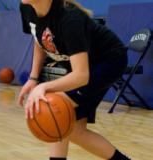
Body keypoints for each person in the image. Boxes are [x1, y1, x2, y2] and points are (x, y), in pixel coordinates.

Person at [18, 0, 130, 160]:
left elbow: (81, 76)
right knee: (74, 130)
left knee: (54, 110)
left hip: (108, 60)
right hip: (82, 66)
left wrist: (43, 87)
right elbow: (39, 39)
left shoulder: (70, 19)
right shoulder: (27, 7)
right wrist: (33, 78)